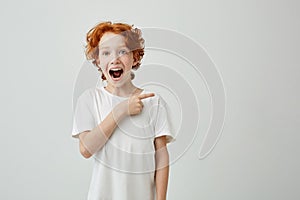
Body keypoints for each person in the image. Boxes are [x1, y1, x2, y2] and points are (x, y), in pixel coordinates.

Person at [71, 21, 174, 200]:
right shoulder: (89, 99)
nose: (114, 58)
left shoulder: (153, 102)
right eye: (106, 52)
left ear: (134, 57)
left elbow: (161, 156)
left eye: (122, 52)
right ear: (98, 60)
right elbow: (86, 149)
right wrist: (121, 111)